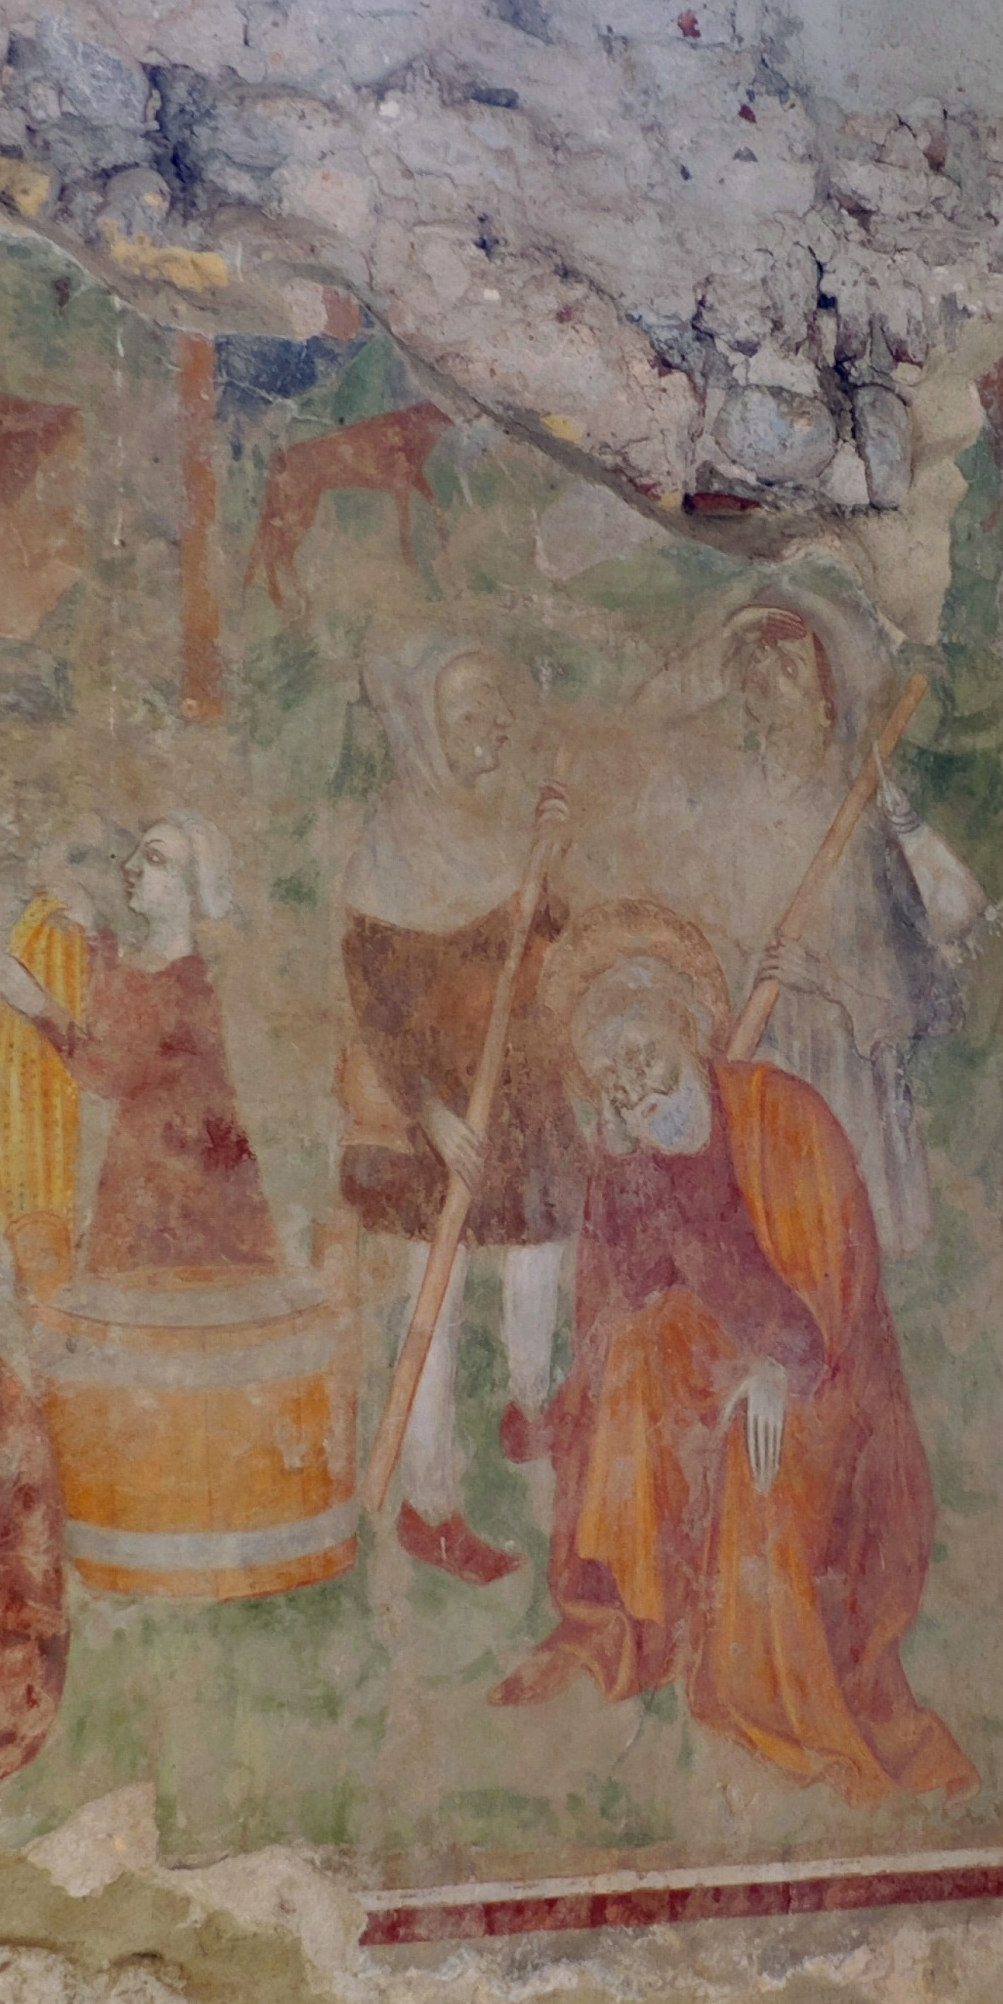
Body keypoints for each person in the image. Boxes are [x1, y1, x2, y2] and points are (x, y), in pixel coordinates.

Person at [488, 902, 975, 1803]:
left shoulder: (780, 1113)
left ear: (683, 1029)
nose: (635, 1084)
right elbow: (624, 1299)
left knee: (766, 1467)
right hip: (713, 1365)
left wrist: (776, 1371)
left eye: (642, 1054)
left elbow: (841, 1282)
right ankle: (648, 1619)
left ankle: (770, 1689)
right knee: (634, 1361)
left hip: (822, 1378)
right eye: (613, 1076)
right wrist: (625, 1171)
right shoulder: (628, 1148)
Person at [628, 588, 984, 1256]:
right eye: (756, 667)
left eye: (787, 669)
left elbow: (911, 982)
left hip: (839, 1075)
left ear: (826, 705)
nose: (765, 677)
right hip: (752, 1061)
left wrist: (822, 977)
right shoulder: (724, 810)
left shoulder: (860, 817)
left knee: (830, 1255)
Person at [338, 635, 585, 1586]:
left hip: (521, 1100)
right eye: (467, 712)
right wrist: (431, 1113)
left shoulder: (511, 829)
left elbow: (544, 962)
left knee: (540, 1260)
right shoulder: (389, 846)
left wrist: (545, 864)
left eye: (496, 707)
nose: (492, 726)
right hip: (426, 1119)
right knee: (429, 1313)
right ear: (427, 734)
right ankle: (430, 1507)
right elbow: (378, 1010)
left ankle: (531, 1405)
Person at [0, 813, 280, 1284]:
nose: (132, 866)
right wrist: (95, 931)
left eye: (155, 859)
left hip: (184, 1188)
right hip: (138, 1165)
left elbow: (108, 1069)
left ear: (190, 889)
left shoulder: (188, 983)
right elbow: (122, 995)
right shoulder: (138, 958)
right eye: (139, 853)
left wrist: (34, 1002)